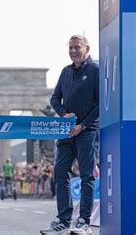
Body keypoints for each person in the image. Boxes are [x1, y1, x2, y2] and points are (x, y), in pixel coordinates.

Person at [40, 35, 99, 235]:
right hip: (66, 132)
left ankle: (84, 221)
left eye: (77, 47)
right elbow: (55, 98)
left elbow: (100, 104)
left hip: (87, 132)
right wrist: (64, 114)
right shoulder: (65, 72)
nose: (73, 51)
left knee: (87, 175)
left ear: (86, 48)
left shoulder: (95, 70)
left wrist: (82, 125)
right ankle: (63, 220)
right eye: (71, 48)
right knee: (60, 172)